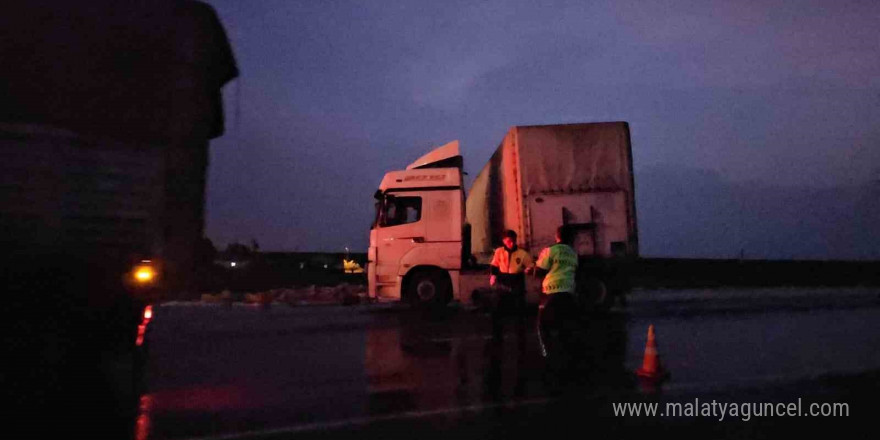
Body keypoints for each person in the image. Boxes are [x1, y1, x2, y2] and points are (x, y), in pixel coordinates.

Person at [532, 225, 579, 359]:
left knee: (542, 326)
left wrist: (533, 270)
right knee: (564, 325)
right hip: (568, 293)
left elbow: (539, 272)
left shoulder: (550, 251)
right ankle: (566, 354)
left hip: (550, 294)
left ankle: (546, 354)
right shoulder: (573, 253)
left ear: (557, 236)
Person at [488, 230, 532, 348]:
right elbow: (494, 265)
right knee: (497, 311)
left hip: (516, 282)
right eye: (508, 241)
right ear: (503, 241)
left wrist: (529, 270)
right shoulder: (499, 252)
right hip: (503, 283)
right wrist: (493, 276)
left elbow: (530, 265)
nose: (511, 244)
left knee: (519, 313)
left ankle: (521, 339)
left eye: (513, 241)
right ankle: (497, 337)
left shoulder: (522, 254)